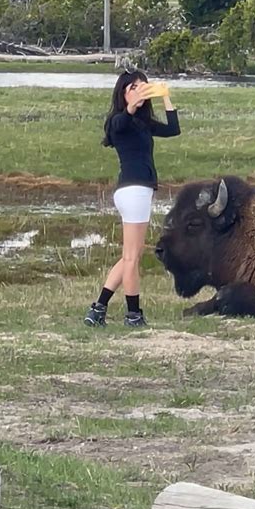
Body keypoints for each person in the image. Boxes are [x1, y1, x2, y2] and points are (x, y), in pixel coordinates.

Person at [85, 70, 181, 328]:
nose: (139, 90)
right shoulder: (119, 120)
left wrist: (165, 97)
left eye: (143, 86)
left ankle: (98, 308)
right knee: (132, 258)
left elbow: (173, 130)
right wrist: (131, 105)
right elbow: (119, 123)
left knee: (131, 255)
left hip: (137, 191)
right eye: (133, 87)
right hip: (134, 190)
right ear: (123, 92)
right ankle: (133, 315)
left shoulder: (142, 122)